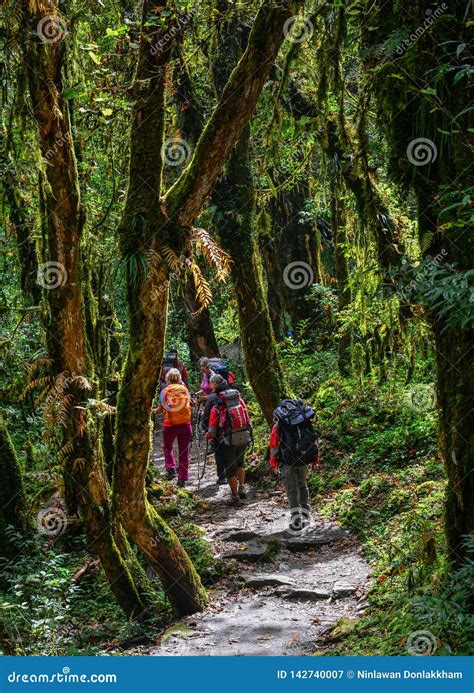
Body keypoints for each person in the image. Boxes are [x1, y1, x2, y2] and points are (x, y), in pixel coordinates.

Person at [269, 398, 320, 531]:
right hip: (304, 457)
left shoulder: (280, 424)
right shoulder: (304, 420)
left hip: (288, 461)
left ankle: (296, 518)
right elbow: (312, 438)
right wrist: (315, 457)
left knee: (291, 489)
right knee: (302, 484)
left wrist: (274, 461)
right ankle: (306, 513)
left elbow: (274, 444)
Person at [206, 382, 252, 505]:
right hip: (243, 436)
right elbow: (248, 419)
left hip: (228, 441)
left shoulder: (217, 408)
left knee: (231, 469)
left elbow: (212, 430)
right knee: (241, 463)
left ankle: (235, 497)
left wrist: (208, 436)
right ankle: (242, 487)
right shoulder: (240, 402)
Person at [155, 368, 192, 487]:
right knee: (184, 452)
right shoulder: (184, 389)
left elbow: (160, 410)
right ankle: (182, 479)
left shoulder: (164, 391)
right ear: (179, 378)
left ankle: (171, 469)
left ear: (167, 379)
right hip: (185, 424)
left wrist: (152, 411)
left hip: (170, 425)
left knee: (167, 447)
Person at [200, 374, 228, 485]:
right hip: (233, 429)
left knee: (219, 453)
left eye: (211, 383)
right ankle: (234, 476)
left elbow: (206, 415)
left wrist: (206, 429)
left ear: (215, 384)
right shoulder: (232, 393)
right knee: (230, 453)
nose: (210, 385)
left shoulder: (213, 397)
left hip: (218, 431)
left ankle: (222, 477)